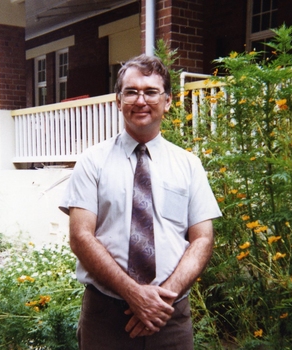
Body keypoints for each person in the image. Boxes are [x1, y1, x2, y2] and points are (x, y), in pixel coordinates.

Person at [59, 54, 222, 350]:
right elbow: (80, 236)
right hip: (106, 318)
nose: (140, 100)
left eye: (151, 92)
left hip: (168, 317)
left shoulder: (189, 165)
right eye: (131, 92)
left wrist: (160, 299)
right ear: (118, 101)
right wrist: (134, 293)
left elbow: (202, 240)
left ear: (168, 101)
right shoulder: (92, 161)